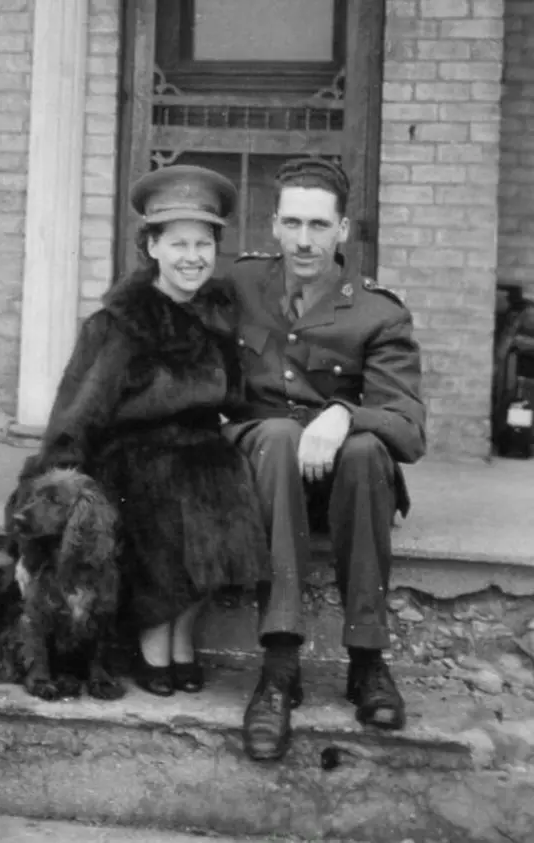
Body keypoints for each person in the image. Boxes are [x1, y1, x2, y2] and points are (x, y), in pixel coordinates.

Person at [23, 164, 269, 698]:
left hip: (201, 450)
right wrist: (46, 505)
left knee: (227, 476)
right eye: (178, 243)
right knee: (169, 489)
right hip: (129, 459)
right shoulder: (118, 324)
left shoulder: (219, 319)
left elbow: (239, 396)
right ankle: (154, 644)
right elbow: (75, 417)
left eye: (203, 244)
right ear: (151, 246)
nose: (192, 257)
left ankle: (184, 638)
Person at [224, 156, 427, 762]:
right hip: (263, 466)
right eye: (293, 223)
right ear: (274, 227)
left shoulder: (377, 312)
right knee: (281, 435)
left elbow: (409, 430)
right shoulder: (236, 286)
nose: (304, 240)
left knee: (367, 450)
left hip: (342, 481)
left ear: (343, 231)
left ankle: (366, 661)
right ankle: (280, 667)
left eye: (319, 225)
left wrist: (344, 414)